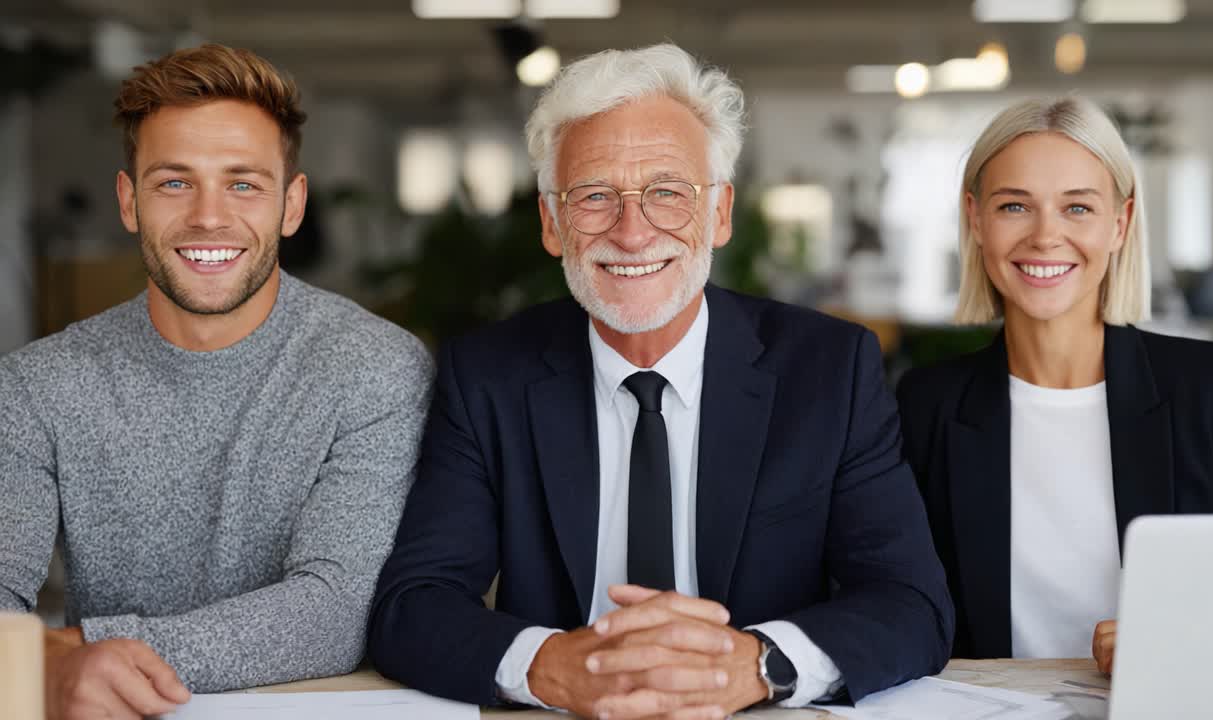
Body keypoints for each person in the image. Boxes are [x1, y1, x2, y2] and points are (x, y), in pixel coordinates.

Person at [367, 43, 952, 719]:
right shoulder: (488, 376)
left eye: (667, 193)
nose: (634, 232)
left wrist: (757, 665)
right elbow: (415, 605)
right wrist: (554, 666)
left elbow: (910, 602)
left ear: (721, 213)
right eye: (594, 197)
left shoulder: (829, 371)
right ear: (552, 223)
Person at [0, 44, 432, 718]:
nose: (208, 216)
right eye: (174, 182)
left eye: (243, 183)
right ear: (128, 200)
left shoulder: (376, 368)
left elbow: (333, 612)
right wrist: (43, 660)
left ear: (291, 206)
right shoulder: (35, 387)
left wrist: (79, 648)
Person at [896, 96, 1213, 673]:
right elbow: (892, 596)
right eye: (1015, 206)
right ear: (975, 220)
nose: (1046, 236)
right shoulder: (925, 405)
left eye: (1077, 209)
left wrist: (1183, 636)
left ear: (1120, 224)